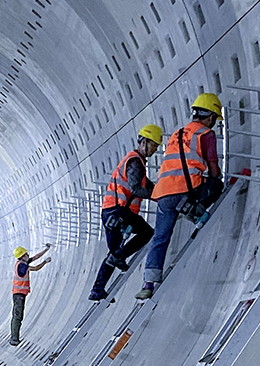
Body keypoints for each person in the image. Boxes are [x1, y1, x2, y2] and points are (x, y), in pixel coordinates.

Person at [136, 93, 225, 300]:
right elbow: (212, 166)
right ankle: (194, 212)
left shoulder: (177, 133)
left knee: (160, 238)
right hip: (186, 190)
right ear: (210, 116)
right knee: (216, 185)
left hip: (163, 193)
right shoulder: (205, 134)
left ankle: (148, 283)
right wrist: (216, 179)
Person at [88, 124, 162, 301]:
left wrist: (160, 192)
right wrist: (157, 195)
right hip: (118, 211)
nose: (154, 149)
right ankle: (116, 260)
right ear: (143, 142)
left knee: (113, 255)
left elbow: (146, 185)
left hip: (115, 212)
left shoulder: (135, 162)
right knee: (146, 232)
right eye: (153, 145)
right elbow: (137, 189)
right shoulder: (136, 162)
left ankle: (97, 290)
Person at [10, 244, 51, 346]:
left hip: (18, 294)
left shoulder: (20, 263)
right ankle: (14, 338)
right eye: (26, 254)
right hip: (19, 294)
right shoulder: (22, 266)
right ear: (22, 256)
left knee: (17, 315)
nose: (28, 255)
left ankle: (14, 337)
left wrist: (46, 250)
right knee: (17, 316)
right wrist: (45, 262)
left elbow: (35, 257)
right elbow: (36, 268)